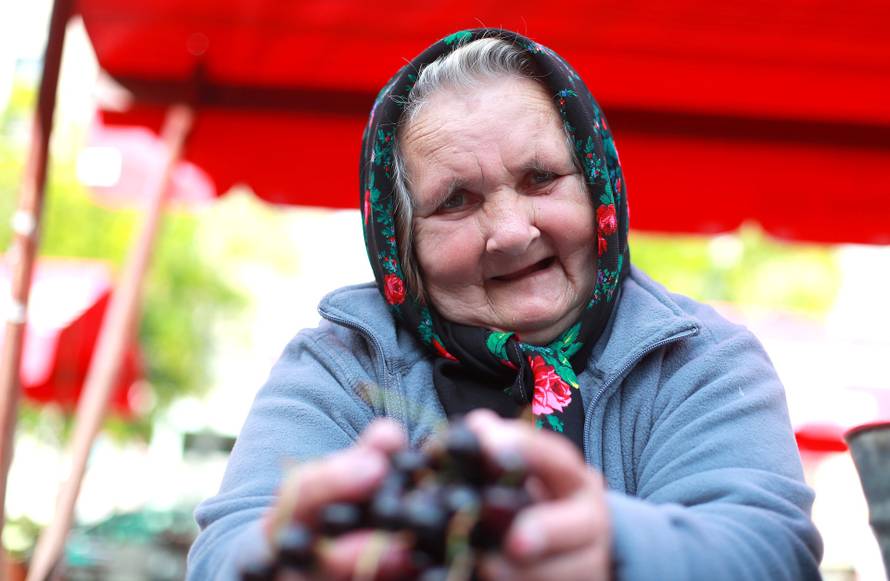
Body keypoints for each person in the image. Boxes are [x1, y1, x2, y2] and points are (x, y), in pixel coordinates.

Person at [187, 29, 823, 580]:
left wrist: (613, 548)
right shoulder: (340, 364)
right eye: (456, 200)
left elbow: (769, 552)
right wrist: (287, 557)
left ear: (596, 184)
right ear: (400, 243)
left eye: (541, 178)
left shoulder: (696, 359)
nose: (513, 230)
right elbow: (227, 549)